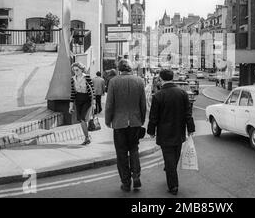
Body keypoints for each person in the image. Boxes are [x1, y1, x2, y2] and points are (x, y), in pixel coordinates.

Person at [147, 69, 196, 196]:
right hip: (179, 132)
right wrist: (191, 129)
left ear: (161, 79)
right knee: (174, 156)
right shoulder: (182, 93)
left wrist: (151, 131)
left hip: (165, 133)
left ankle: (173, 186)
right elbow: (188, 114)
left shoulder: (158, 95)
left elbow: (153, 116)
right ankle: (170, 171)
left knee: (169, 159)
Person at [105, 59, 147, 192]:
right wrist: (141, 119)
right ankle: (136, 175)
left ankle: (126, 182)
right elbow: (143, 104)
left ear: (119, 69)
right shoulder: (139, 81)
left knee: (121, 153)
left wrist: (108, 120)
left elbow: (109, 104)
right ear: (130, 69)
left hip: (119, 123)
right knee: (134, 149)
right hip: (135, 122)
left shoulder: (113, 81)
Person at [69, 62, 95, 146]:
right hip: (78, 100)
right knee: (80, 119)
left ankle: (87, 137)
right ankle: (87, 137)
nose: (75, 72)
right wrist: (71, 106)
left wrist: (93, 102)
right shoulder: (72, 79)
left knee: (83, 118)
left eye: (77, 70)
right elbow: (72, 93)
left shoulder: (86, 77)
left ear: (81, 70)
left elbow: (92, 90)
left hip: (86, 99)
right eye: (74, 70)